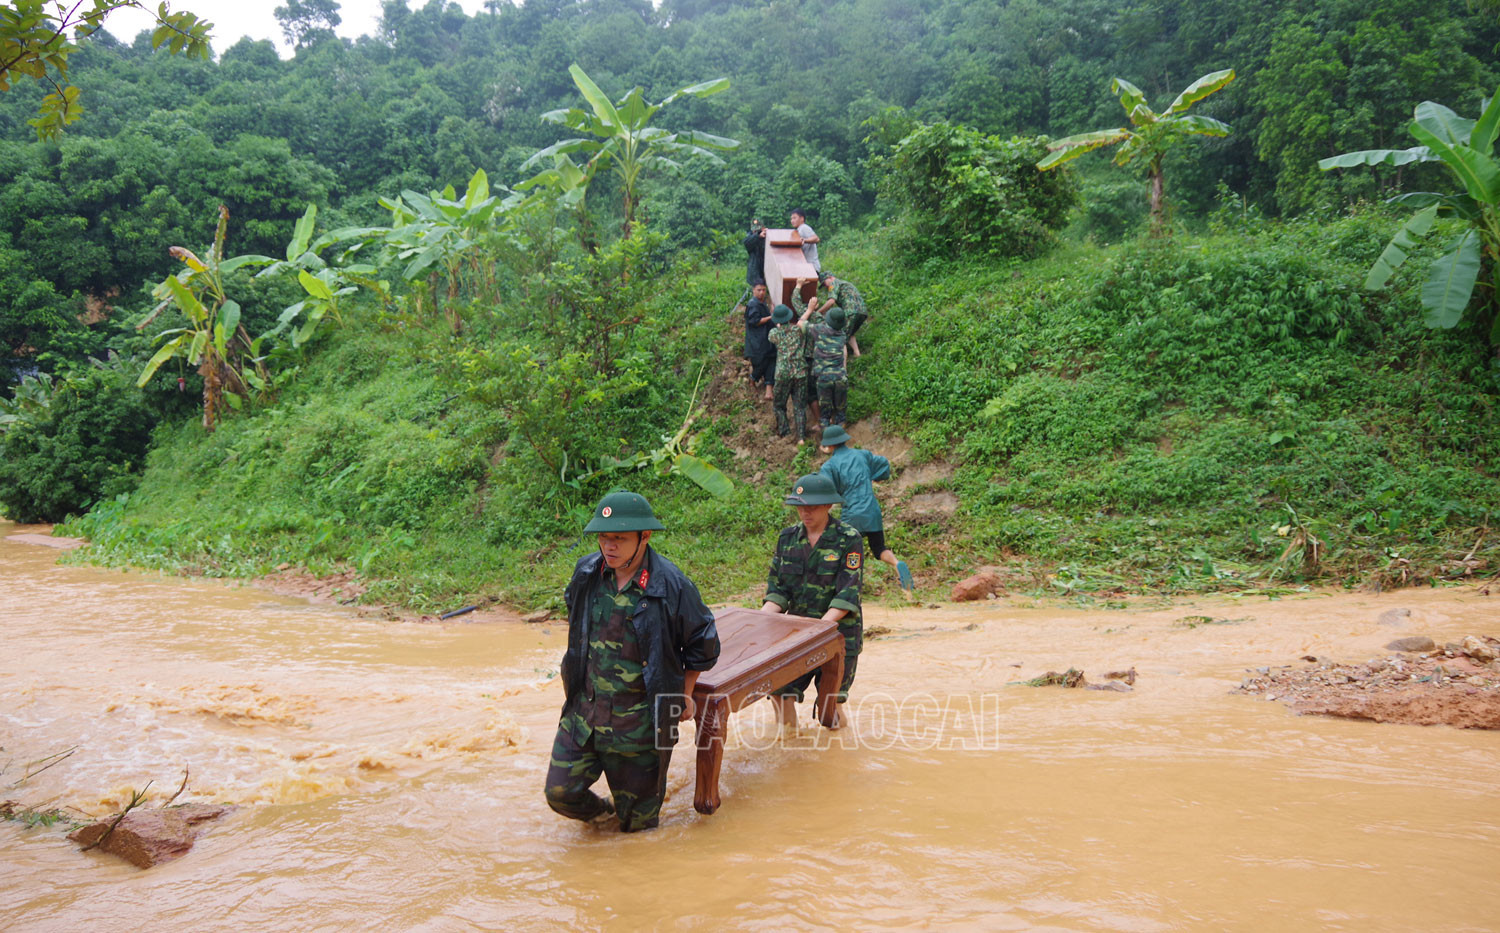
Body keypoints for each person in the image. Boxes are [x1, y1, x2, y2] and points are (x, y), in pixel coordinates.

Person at [544, 491, 720, 832]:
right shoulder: (587, 573)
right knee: (560, 792)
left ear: (645, 536)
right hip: (586, 717)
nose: (609, 546)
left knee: (638, 832)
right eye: (604, 537)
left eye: (620, 539)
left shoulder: (670, 585)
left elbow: (704, 643)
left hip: (642, 727)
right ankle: (602, 816)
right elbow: (576, 622)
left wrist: (684, 693)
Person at [761, 473, 864, 726]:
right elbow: (778, 590)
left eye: (812, 507)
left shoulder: (848, 539)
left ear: (829, 505)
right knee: (780, 693)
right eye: (800, 507)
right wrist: (759, 620)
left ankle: (834, 757)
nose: (805, 513)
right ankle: (789, 751)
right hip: (795, 636)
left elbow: (847, 593)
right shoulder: (787, 539)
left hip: (838, 637)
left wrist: (818, 630)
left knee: (830, 706)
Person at [818, 425, 913, 591]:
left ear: (829, 445)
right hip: (872, 511)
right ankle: (897, 564)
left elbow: (826, 491)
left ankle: (848, 584)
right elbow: (883, 464)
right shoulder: (863, 455)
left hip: (852, 513)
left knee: (843, 548)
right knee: (879, 549)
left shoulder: (830, 466)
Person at [766, 303, 809, 442]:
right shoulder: (799, 330)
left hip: (783, 373)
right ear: (790, 316)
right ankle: (801, 437)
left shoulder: (774, 334)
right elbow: (803, 322)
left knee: (779, 405)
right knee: (800, 406)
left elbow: (773, 336)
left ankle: (785, 433)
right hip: (800, 372)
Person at [804, 304, 848, 428]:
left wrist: (809, 310)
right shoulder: (842, 335)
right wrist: (844, 369)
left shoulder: (819, 330)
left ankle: (828, 443)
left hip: (824, 378)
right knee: (841, 413)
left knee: (825, 414)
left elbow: (800, 325)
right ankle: (841, 440)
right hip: (840, 377)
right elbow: (844, 353)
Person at [818, 270, 869, 358]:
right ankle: (857, 354)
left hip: (850, 312)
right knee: (850, 332)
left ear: (830, 278)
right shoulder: (844, 283)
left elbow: (831, 301)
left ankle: (840, 363)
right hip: (862, 312)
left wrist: (818, 312)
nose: (825, 286)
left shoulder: (833, 283)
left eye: (824, 283)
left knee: (840, 336)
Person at [744, 281, 775, 400]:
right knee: (763, 362)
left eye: (763, 290)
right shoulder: (753, 304)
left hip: (766, 339)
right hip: (758, 341)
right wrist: (771, 317)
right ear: (753, 290)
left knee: (772, 359)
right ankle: (753, 378)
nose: (762, 292)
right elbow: (755, 321)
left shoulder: (762, 303)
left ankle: (768, 390)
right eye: (759, 290)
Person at [742, 218, 766, 286]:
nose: (755, 231)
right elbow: (747, 243)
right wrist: (758, 236)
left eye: (758, 229)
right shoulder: (750, 237)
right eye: (754, 230)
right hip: (755, 273)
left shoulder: (766, 236)